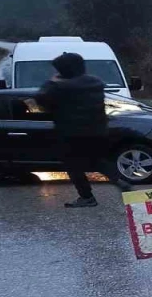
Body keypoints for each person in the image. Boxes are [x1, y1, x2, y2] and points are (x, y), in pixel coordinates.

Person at [35, 52, 129, 208]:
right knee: (97, 161)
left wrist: (51, 81)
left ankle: (86, 197)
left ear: (63, 70)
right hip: (97, 130)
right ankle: (120, 180)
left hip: (70, 133)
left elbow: (41, 100)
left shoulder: (58, 86)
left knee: (73, 165)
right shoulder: (95, 83)